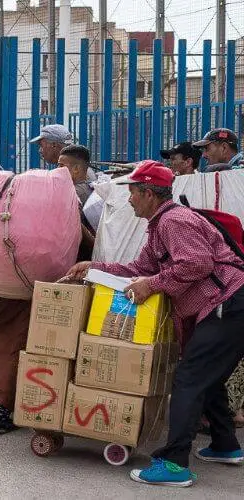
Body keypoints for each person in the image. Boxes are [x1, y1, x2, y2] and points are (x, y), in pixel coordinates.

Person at [65, 160, 244, 487]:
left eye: (132, 192)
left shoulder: (174, 220)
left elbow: (197, 264)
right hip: (227, 306)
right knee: (207, 375)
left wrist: (153, 285)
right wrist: (94, 266)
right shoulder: (158, 226)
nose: (129, 199)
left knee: (189, 378)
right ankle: (225, 446)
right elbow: (140, 267)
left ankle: (174, 465)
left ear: (149, 194)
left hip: (227, 304)